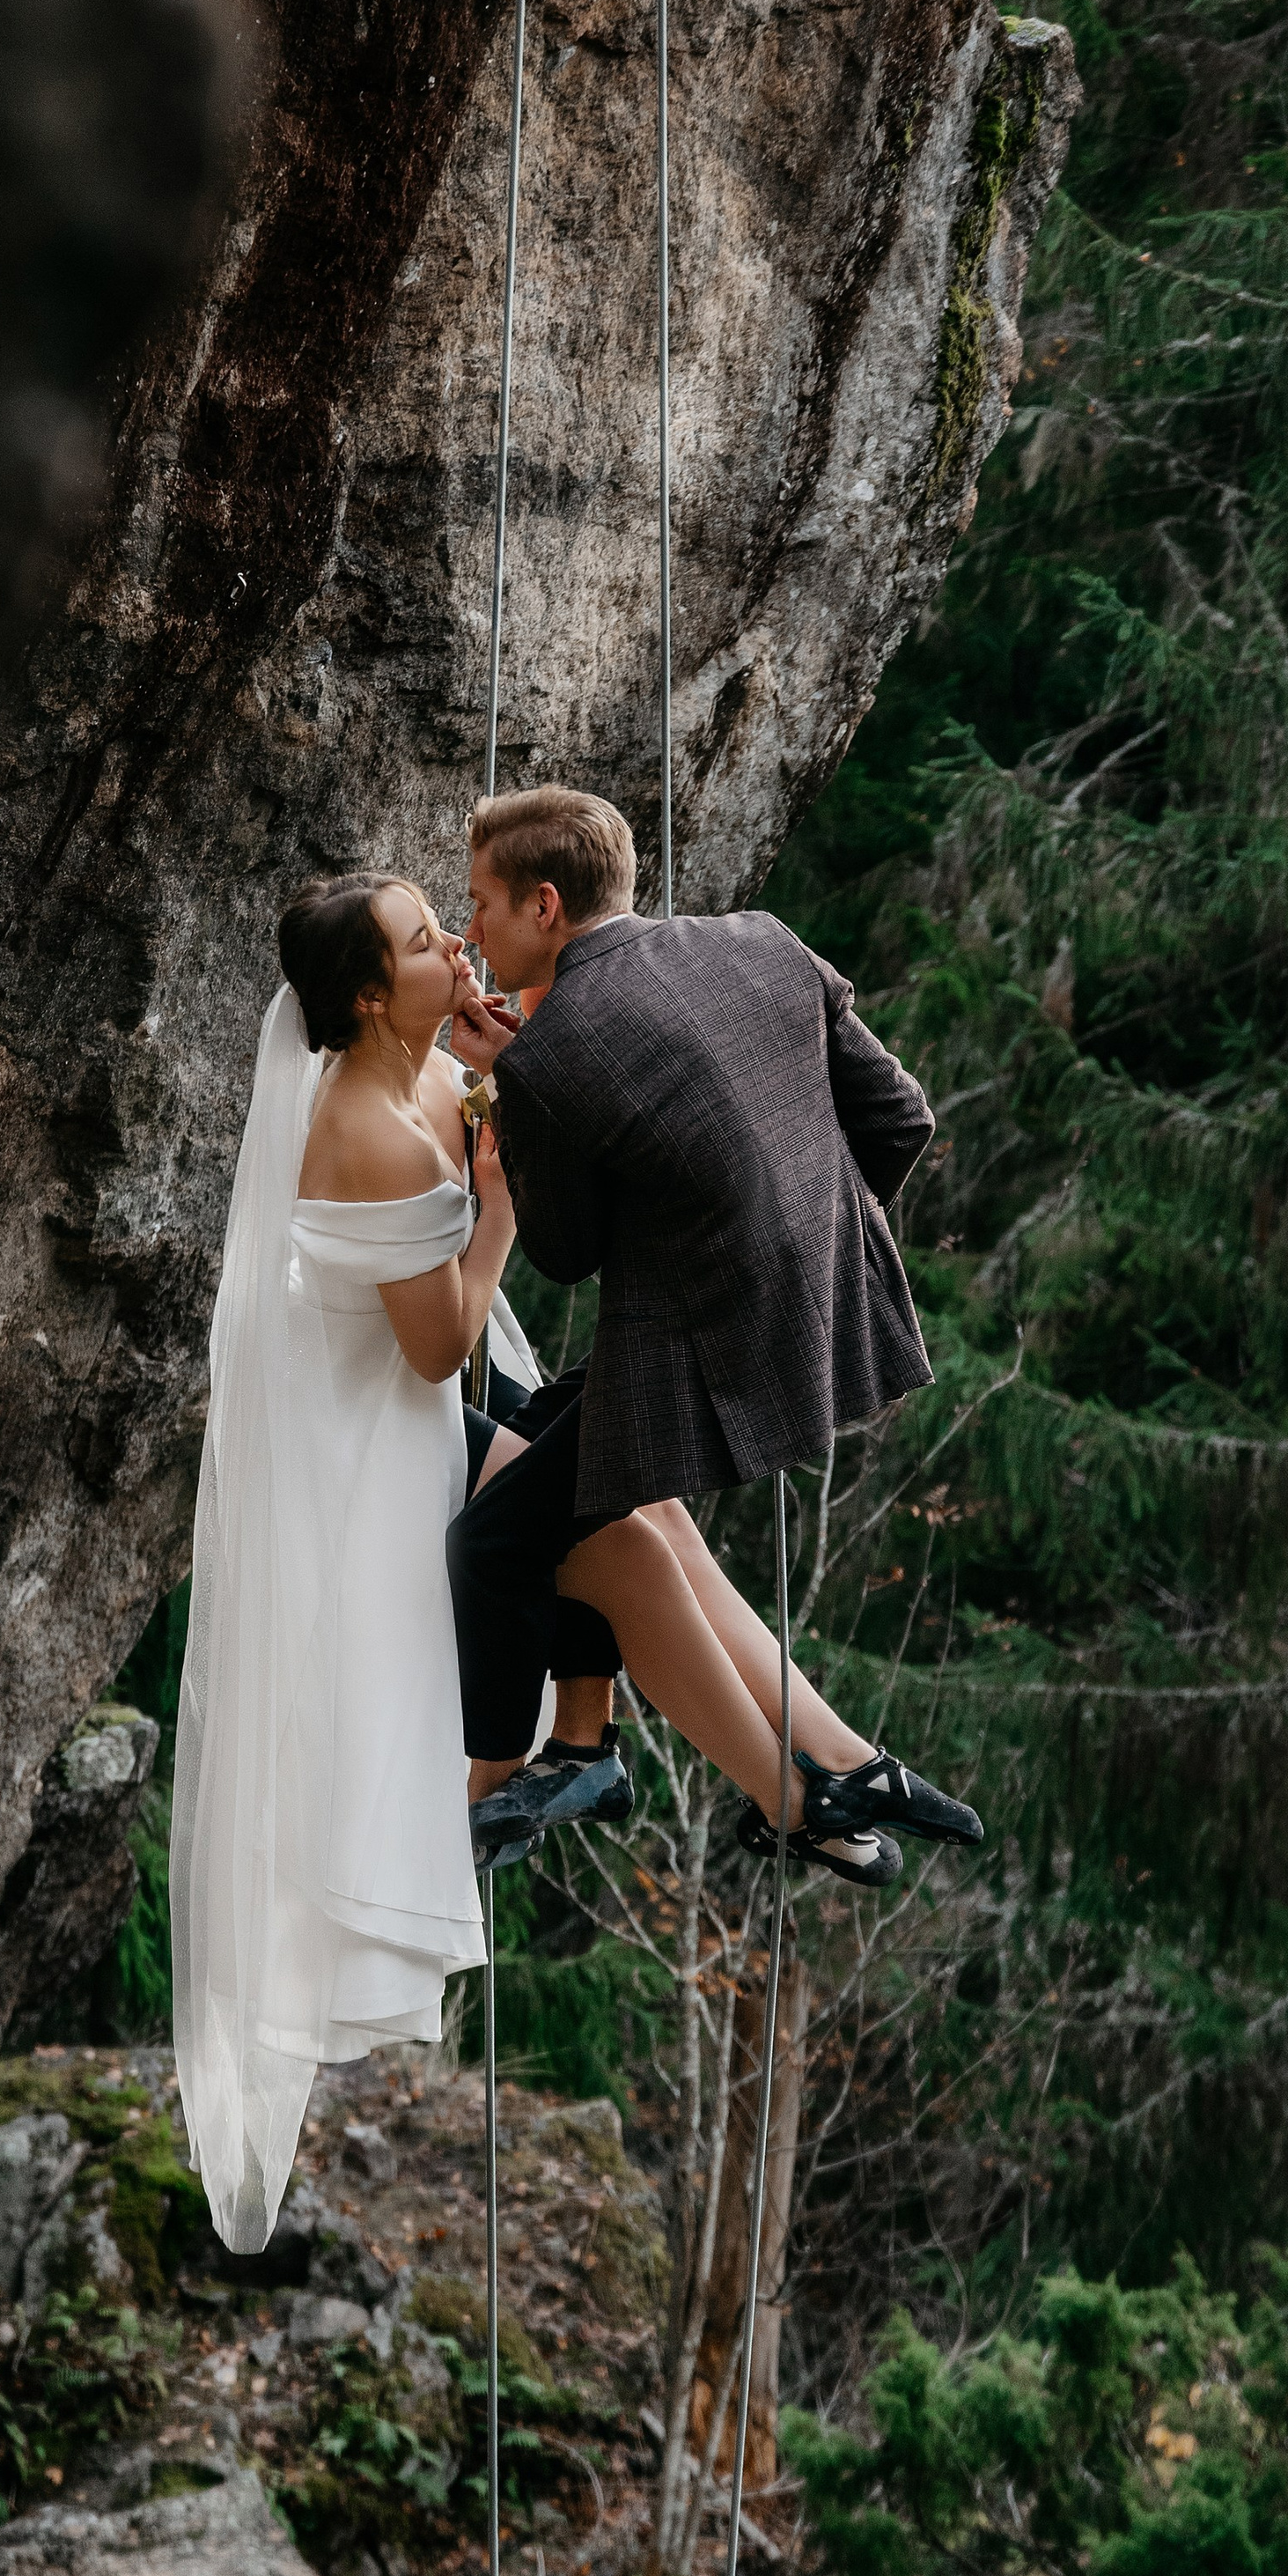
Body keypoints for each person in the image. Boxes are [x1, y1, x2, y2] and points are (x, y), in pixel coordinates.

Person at [449, 785, 983, 1882]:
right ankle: (733, 1756)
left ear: (545, 905)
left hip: (701, 1358)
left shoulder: (546, 1058)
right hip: (830, 1317)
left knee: (495, 1543)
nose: (470, 935)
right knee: (569, 1445)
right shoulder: (764, 941)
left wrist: (520, 1086)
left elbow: (567, 1252)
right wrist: (800, 1253)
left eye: (482, 906)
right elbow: (899, 1118)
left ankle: (531, 1780)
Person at [171, 871, 542, 2251]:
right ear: (371, 997)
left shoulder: (437, 1073)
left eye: (444, 919)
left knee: (576, 1525)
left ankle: (563, 1754)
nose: (455, 940)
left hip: (408, 1416)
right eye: (423, 939)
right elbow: (442, 1346)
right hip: (376, 1440)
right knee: (394, 1684)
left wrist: (500, 1087)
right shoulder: (366, 1130)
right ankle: (528, 1772)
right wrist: (492, 1208)